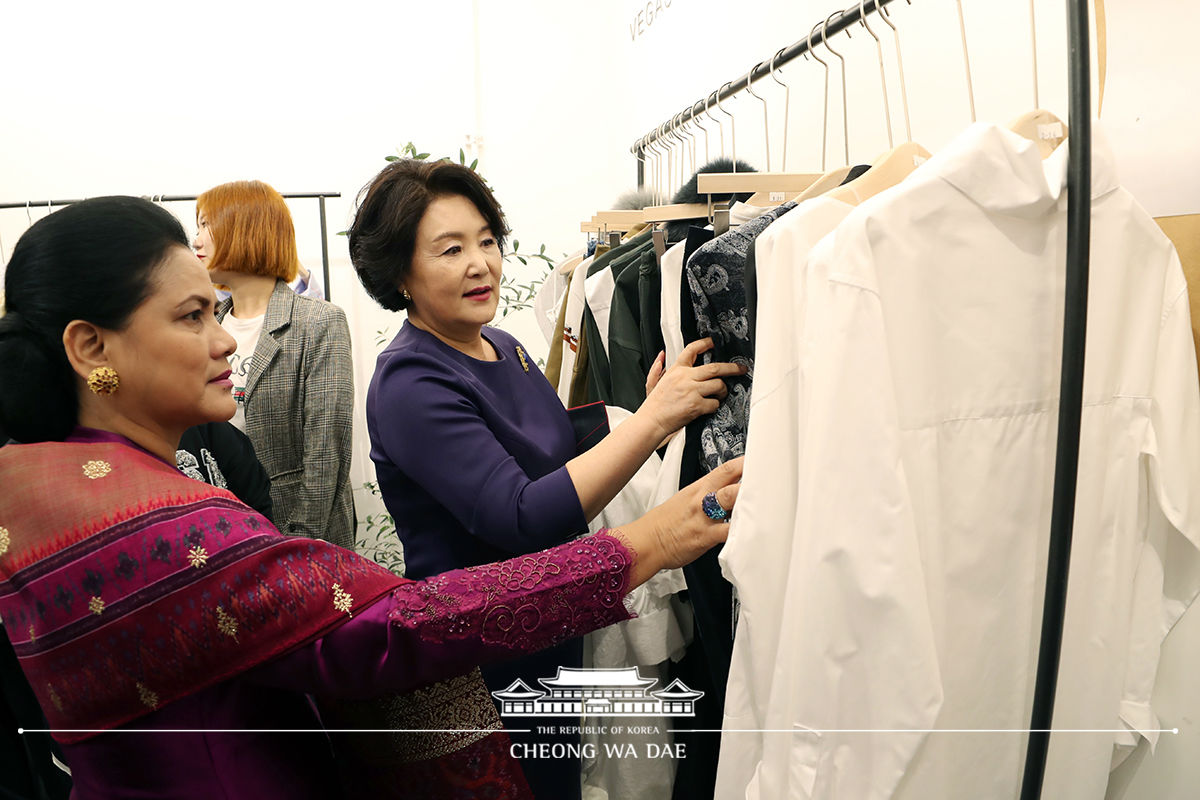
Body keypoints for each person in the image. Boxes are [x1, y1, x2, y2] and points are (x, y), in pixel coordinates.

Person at [0, 196, 742, 799]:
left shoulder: (49, 487)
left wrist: (624, 423)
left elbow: (540, 440)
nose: (225, 340)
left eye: (215, 310)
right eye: (190, 317)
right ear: (91, 349)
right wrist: (652, 539)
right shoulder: (148, 528)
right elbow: (399, 626)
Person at [348, 158, 746, 798]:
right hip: (481, 653)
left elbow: (551, 442)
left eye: (486, 241)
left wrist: (644, 418)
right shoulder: (409, 381)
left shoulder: (500, 345)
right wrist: (647, 424)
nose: (480, 263)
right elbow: (521, 514)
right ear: (400, 273)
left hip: (550, 620)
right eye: (451, 250)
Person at [193, 180, 355, 548]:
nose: (197, 240)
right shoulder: (206, 328)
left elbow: (326, 449)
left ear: (245, 229)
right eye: (197, 226)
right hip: (222, 531)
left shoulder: (317, 323)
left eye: (206, 224)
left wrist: (300, 541)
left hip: (297, 528)